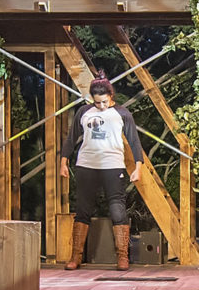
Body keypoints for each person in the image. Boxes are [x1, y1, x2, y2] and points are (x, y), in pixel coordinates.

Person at [59, 75, 144, 271]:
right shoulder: (84, 112)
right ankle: (75, 257)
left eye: (104, 101)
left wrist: (138, 167)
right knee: (83, 209)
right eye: (97, 102)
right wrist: (64, 162)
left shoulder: (122, 114)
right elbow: (71, 139)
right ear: (92, 99)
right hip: (87, 164)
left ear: (111, 96)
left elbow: (134, 141)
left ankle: (123, 256)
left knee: (117, 210)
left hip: (112, 165)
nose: (101, 105)